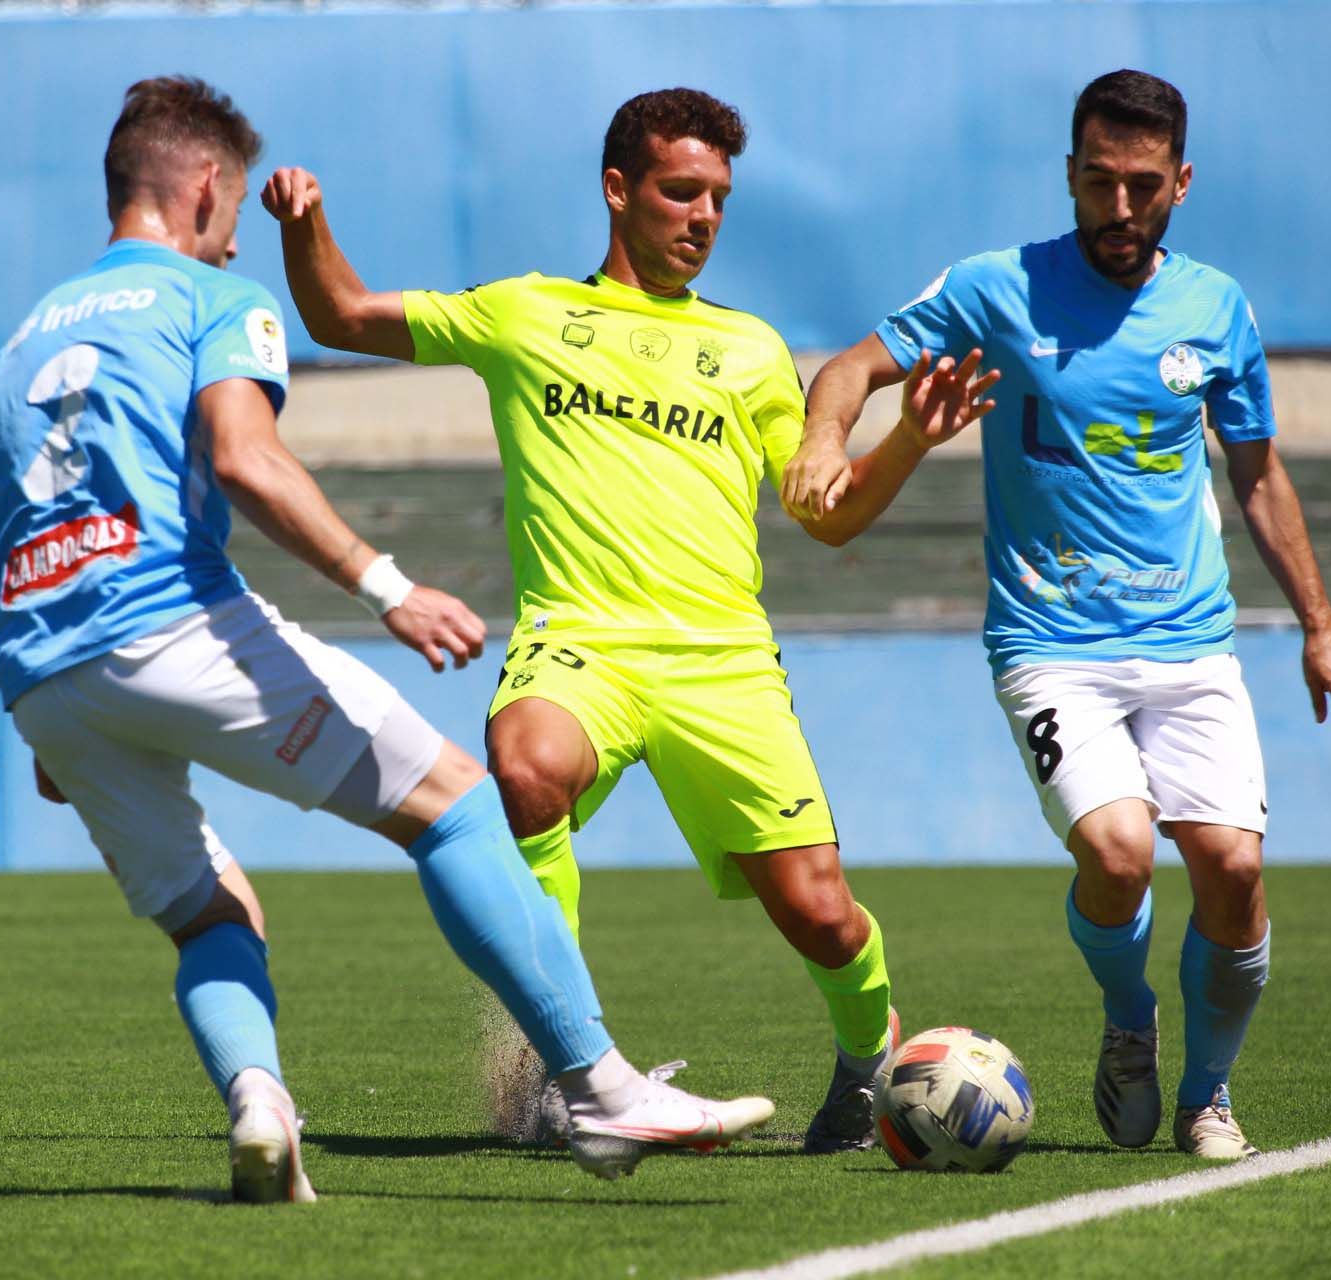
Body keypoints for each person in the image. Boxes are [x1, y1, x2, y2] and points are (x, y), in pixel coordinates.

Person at [0, 76, 775, 1202]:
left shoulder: (22, 343)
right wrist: (388, 585)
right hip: (171, 620)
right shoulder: (206, 298)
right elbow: (245, 456)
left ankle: (261, 1105)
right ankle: (603, 1089)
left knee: (209, 913)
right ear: (202, 190)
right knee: (459, 806)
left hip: (47, 667)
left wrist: (44, 702)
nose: (234, 240)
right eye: (231, 214)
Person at [263, 88, 995, 1153]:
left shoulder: (748, 350)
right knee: (523, 766)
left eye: (718, 199)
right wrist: (304, 229)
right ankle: (570, 1064)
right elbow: (339, 314)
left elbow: (821, 517)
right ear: (620, 190)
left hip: (722, 662)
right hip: (581, 641)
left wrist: (907, 444)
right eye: (680, 191)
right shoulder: (526, 312)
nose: (702, 215)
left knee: (821, 911)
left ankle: (864, 1048)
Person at [781, 69, 1331, 1158]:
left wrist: (1321, 627)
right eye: (1099, 182)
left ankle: (1207, 1092)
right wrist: (824, 440)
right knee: (1116, 854)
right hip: (1049, 640)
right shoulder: (995, 289)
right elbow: (850, 368)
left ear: (1181, 184)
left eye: (1143, 185)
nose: (1119, 208)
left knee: (1234, 868)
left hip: (1191, 640)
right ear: (1070, 174)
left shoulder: (1217, 307)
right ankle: (1128, 1022)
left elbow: (1257, 473)